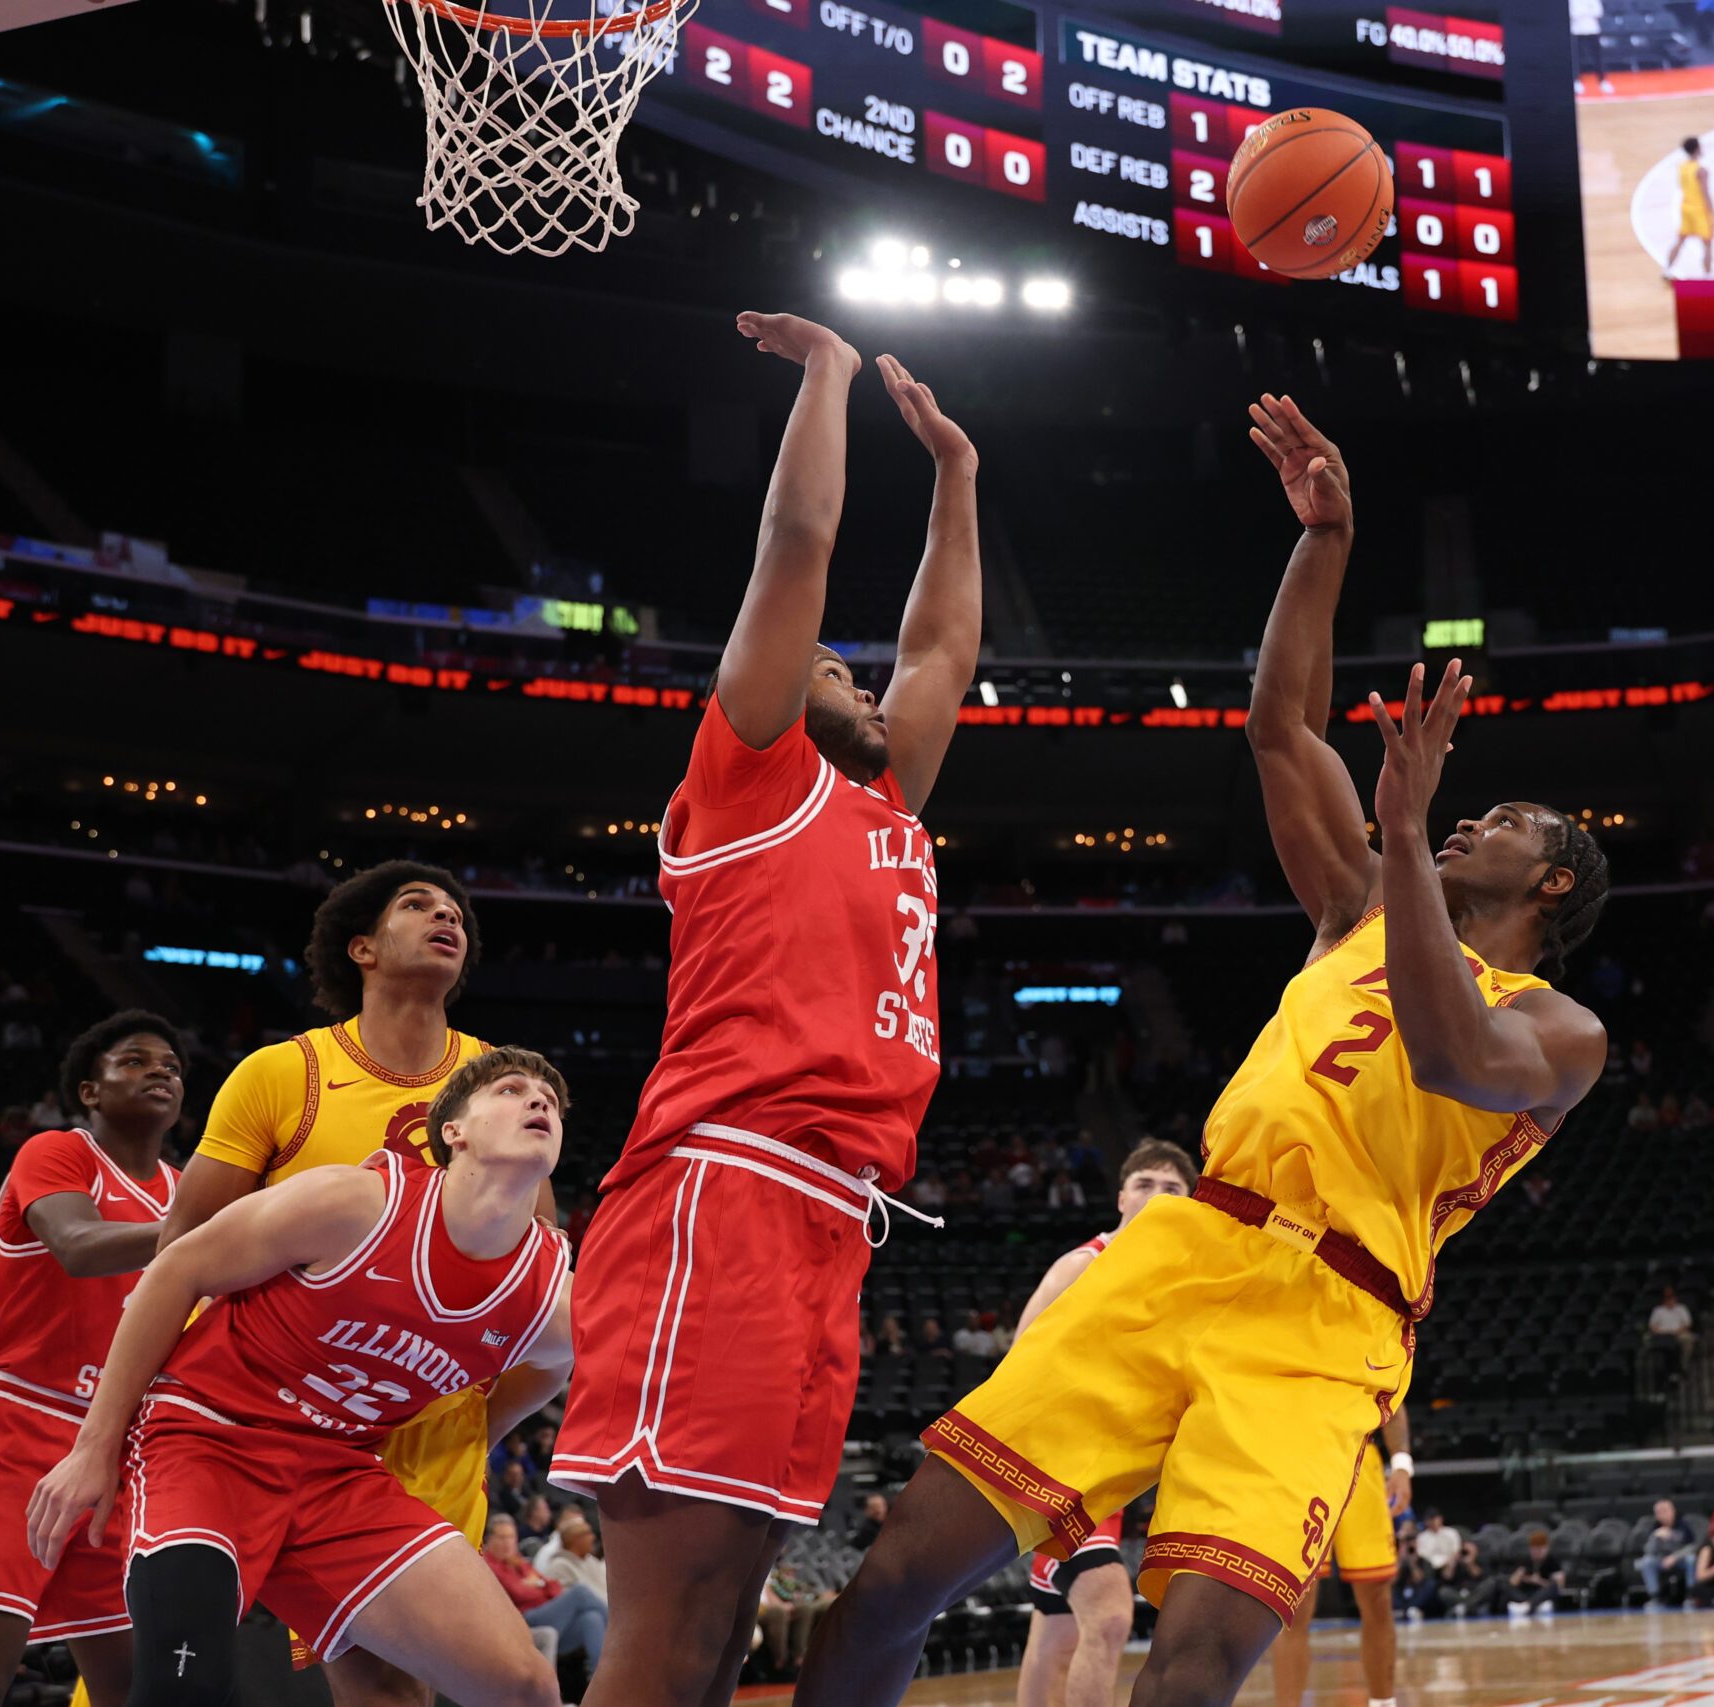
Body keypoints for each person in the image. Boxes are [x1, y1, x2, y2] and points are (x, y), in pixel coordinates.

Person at [796, 394, 1609, 1707]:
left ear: (1556, 883)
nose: (1468, 821)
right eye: (1463, 811)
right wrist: (1326, 540)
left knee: (1191, 1665)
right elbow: (1282, 726)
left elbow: (1455, 1056)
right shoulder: (1354, 906)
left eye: (1502, 819)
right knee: (895, 1573)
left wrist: (1405, 834)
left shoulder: (1558, 1024)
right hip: (1190, 1250)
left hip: (1327, 1323)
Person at [550, 318, 983, 1707]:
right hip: (720, 1193)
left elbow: (941, 647)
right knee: (668, 1633)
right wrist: (833, 378)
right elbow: (795, 543)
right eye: (832, 671)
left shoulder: (883, 808)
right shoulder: (751, 780)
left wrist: (959, 479)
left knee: (731, 1635)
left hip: (829, 1219)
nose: (860, 677)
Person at [25, 1049, 578, 1707]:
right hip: (205, 1439)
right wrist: (94, 1444)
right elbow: (177, 1270)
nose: (538, 1100)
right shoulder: (358, 1201)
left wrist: (483, 1434)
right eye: (513, 1089)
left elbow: (553, 1368)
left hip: (339, 1473)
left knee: (524, 1686)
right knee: (185, 1685)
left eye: (550, 1097)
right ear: (453, 1130)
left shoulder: (554, 1294)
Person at [165, 859, 540, 1703]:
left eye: (456, 912)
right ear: (361, 947)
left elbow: (532, 1276)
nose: (447, 916)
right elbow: (181, 1249)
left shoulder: (506, 1083)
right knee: (182, 1669)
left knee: (395, 1689)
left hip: (429, 1430)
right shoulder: (282, 1074)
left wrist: (476, 1419)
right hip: (274, 1425)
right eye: (418, 905)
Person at [0, 1013, 184, 1707]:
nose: (161, 1070)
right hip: (19, 1422)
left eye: (173, 1065)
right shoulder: (58, 1151)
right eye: (136, 1060)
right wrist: (215, 1234)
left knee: (132, 1684)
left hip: (117, 1447)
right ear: (91, 1090)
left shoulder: (188, 1192)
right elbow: (77, 1243)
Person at [1016, 1141, 1198, 1707]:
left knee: (1055, 1631)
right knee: (1111, 1615)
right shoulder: (1082, 1265)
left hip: (1120, 1476)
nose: (1156, 1196)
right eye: (1144, 1183)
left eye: (1172, 1189)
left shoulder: (1187, 1284)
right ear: (1120, 1196)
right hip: (1062, 1468)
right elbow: (1018, 1358)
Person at [1275, 1401, 1411, 1707]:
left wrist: (1402, 1466)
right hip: (1300, 1462)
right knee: (1293, 1605)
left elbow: (1393, 1396)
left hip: (1360, 1456)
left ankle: (1383, 1703)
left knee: (1377, 1598)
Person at [482, 1514, 610, 1677]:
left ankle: (601, 1679)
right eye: (502, 1537)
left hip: (549, 1618)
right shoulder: (489, 1564)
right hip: (523, 1621)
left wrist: (539, 1585)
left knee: (591, 1618)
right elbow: (518, 1593)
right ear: (489, 1539)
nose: (508, 1542)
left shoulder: (518, 1562)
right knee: (580, 1592)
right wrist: (540, 1586)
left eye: (511, 1537)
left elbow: (555, 1587)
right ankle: (619, 1631)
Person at [754, 1562, 833, 1680]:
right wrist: (779, 1606)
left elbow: (769, 1592)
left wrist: (783, 1604)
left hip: (770, 1606)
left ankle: (799, 1659)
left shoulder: (764, 1566)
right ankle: (780, 1662)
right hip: (755, 1610)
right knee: (778, 1612)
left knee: (804, 1609)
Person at [1663, 137, 1714, 277]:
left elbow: (1681, 186)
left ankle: (1667, 269)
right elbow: (1705, 193)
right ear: (1697, 148)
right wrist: (1713, 215)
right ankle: (1708, 276)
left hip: (1685, 207)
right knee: (1707, 244)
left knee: (1680, 240)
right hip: (1699, 210)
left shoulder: (1682, 167)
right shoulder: (1701, 170)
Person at [535, 1509, 609, 1603]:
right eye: (587, 1534)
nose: (593, 1537)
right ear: (576, 1540)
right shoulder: (559, 1565)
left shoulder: (590, 1560)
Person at [1637, 1499, 1691, 1605]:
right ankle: (1655, 1596)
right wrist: (1654, 1537)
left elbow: (1692, 1546)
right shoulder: (1655, 1526)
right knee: (1647, 1562)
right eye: (1658, 1512)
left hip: (1680, 1559)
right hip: (1661, 1559)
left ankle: (1691, 1594)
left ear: (1673, 1511)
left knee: (1691, 1559)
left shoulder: (1683, 1524)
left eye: (1664, 1511)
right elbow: (1648, 1551)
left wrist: (1674, 1556)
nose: (1662, 1514)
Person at [1505, 1530, 1567, 1616]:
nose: (1536, 1552)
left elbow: (1560, 1586)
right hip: (1526, 1594)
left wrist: (1539, 1581)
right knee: (1500, 1581)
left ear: (1547, 1548)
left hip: (1543, 1594)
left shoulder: (1553, 1561)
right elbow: (1512, 1583)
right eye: (1533, 1549)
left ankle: (1529, 1605)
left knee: (1553, 1586)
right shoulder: (1526, 1560)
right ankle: (1528, 1605)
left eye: (1540, 1549)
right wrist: (1523, 1576)